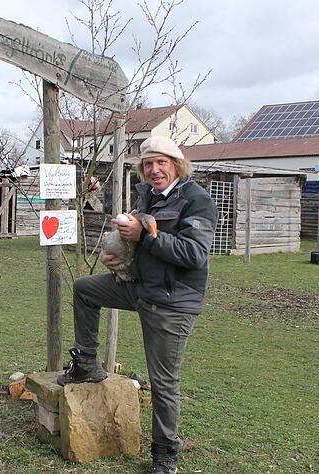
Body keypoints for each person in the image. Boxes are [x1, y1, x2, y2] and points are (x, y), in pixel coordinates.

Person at [58, 136, 218, 474]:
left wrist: (142, 236)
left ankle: (165, 455)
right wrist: (116, 255)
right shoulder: (148, 194)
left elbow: (194, 254)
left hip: (172, 303)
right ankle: (87, 364)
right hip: (142, 288)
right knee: (85, 289)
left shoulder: (197, 200)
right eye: (148, 164)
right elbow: (135, 238)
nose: (154, 169)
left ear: (176, 165)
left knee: (163, 382)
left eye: (161, 163)